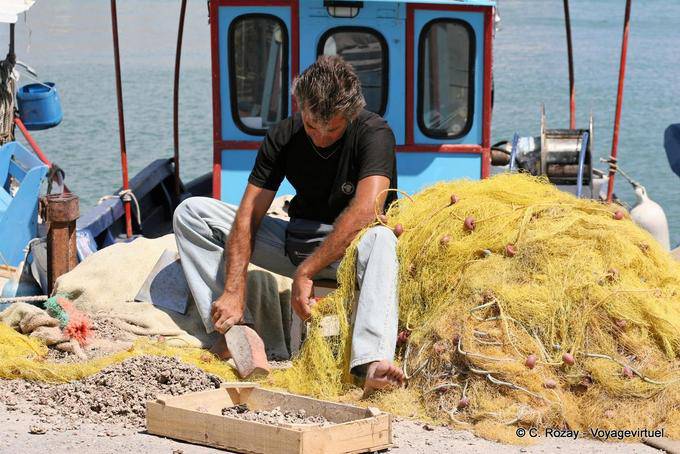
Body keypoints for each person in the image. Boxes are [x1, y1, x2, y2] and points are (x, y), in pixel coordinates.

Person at [173, 55, 404, 393]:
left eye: (334, 129)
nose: (321, 138)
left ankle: (373, 363)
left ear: (352, 115)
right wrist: (235, 288)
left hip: (353, 254)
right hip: (296, 242)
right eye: (312, 127)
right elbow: (249, 213)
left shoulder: (374, 132)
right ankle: (239, 329)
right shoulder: (282, 135)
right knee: (192, 212)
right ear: (299, 106)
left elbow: (368, 209)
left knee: (383, 238)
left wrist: (307, 271)